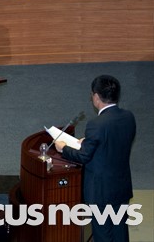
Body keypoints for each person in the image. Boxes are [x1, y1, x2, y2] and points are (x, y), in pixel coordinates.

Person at [56, 75, 136, 242]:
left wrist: (63, 148)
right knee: (120, 231)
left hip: (100, 191)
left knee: (103, 235)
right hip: (121, 186)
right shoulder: (128, 117)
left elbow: (83, 156)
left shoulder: (96, 124)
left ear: (96, 96)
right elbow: (115, 142)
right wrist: (90, 141)